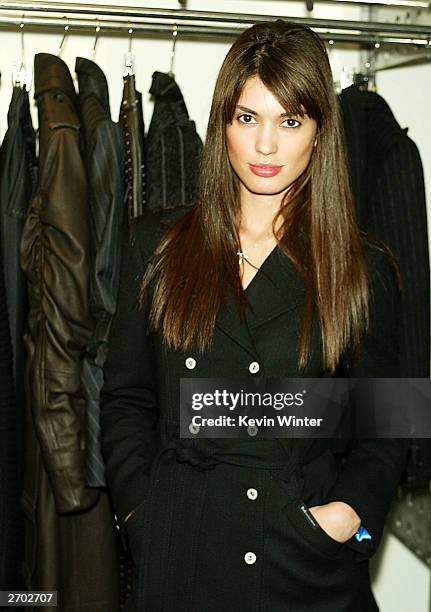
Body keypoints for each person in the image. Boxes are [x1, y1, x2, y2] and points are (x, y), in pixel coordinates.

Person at [100, 20, 408, 612]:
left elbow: (388, 423)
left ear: (319, 132)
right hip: (184, 553)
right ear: (223, 124)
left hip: (303, 561)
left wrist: (346, 519)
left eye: (290, 121)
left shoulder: (360, 267)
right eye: (248, 118)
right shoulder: (156, 245)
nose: (267, 146)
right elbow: (126, 399)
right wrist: (143, 514)